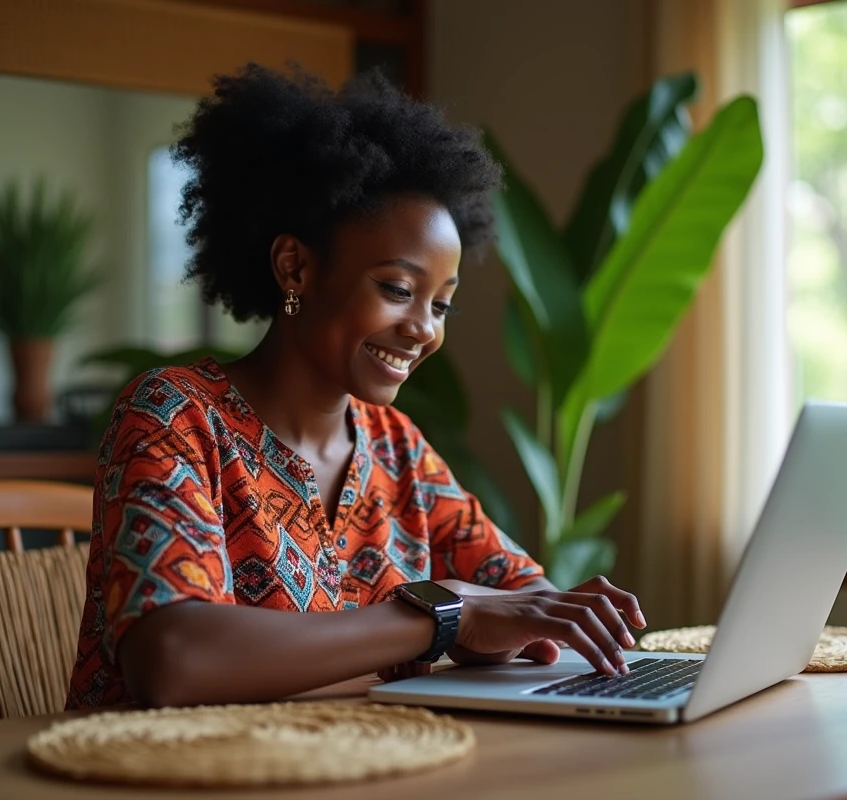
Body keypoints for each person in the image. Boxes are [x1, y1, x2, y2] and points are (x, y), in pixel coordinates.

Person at [66, 64, 646, 710]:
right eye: (398, 290)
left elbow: (529, 614)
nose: (423, 330)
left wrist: (502, 621)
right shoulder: (175, 417)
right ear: (296, 267)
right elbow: (175, 659)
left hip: (363, 768)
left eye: (442, 305)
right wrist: (443, 616)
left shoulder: (396, 448)